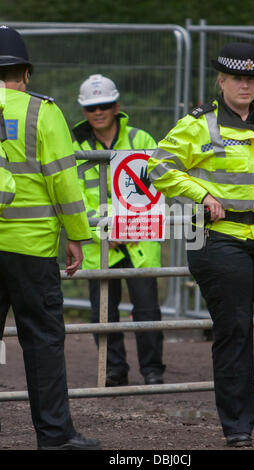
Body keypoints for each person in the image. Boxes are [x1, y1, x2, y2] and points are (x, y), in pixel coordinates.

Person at [147, 42, 254, 447]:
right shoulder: (200, 125)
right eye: (237, 78)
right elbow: (158, 165)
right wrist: (201, 196)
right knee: (233, 331)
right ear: (222, 80)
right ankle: (237, 428)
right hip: (220, 237)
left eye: (252, 78)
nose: (245, 85)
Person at [0, 25, 100, 450]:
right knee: (42, 341)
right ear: (25, 74)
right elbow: (64, 182)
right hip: (31, 248)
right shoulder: (41, 112)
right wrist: (77, 236)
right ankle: (55, 437)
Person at [73, 74, 165, 386]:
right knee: (103, 312)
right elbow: (71, 196)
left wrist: (123, 227)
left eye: (104, 105)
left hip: (139, 240)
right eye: (91, 107)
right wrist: (103, 230)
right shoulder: (73, 147)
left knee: (148, 310)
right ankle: (113, 370)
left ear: (117, 106)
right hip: (98, 245)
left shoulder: (142, 140)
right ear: (83, 110)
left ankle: (153, 370)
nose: (98, 112)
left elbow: (155, 192)